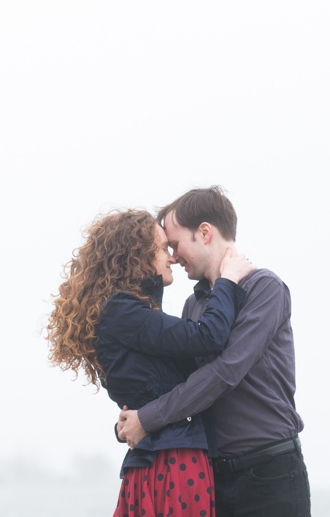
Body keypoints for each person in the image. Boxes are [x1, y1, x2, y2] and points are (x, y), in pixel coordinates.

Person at [116, 187, 311, 517]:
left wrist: (146, 420)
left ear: (204, 233)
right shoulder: (195, 305)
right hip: (213, 476)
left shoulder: (264, 288)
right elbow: (178, 383)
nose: (174, 257)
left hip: (269, 472)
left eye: (176, 245)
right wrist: (128, 419)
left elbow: (225, 372)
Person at [46, 208, 254, 517]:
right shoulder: (124, 310)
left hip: (157, 459)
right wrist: (228, 281)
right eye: (162, 248)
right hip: (173, 461)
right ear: (136, 255)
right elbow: (208, 336)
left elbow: (145, 390)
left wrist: (128, 425)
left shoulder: (128, 312)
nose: (171, 257)